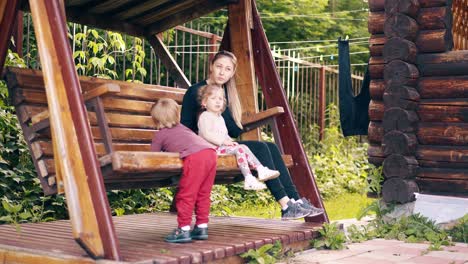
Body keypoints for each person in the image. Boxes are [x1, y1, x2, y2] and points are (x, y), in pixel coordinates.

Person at [181, 50, 324, 220]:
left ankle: (295, 200)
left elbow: (233, 130)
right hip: (207, 146)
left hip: (223, 142)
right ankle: (285, 204)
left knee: (271, 146)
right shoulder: (197, 92)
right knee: (262, 148)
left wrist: (244, 120)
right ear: (211, 66)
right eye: (219, 66)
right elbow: (186, 127)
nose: (222, 72)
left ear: (232, 73)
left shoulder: (224, 95)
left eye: (227, 69)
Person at [151, 98, 216, 243]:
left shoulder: (160, 134)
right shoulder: (184, 128)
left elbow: (153, 156)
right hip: (211, 153)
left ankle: (183, 229)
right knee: (203, 194)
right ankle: (201, 227)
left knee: (187, 195)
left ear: (156, 120)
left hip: (195, 158)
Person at [197, 84, 281, 190]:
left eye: (220, 98)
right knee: (240, 149)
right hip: (211, 149)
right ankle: (249, 177)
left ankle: (260, 169)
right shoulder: (205, 116)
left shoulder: (219, 118)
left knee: (243, 147)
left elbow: (223, 133)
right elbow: (206, 134)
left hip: (220, 148)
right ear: (204, 103)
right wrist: (223, 141)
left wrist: (228, 140)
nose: (218, 101)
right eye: (213, 98)